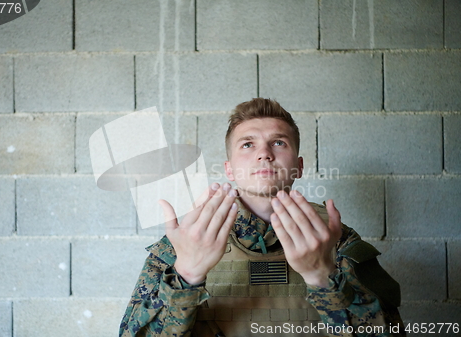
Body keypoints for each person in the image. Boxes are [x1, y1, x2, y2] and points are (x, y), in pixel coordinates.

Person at [119, 98, 404, 337]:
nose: (264, 154)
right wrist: (187, 276)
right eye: (247, 144)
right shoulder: (186, 240)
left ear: (299, 166)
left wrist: (323, 278)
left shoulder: (336, 239)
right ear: (229, 170)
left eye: (278, 143)